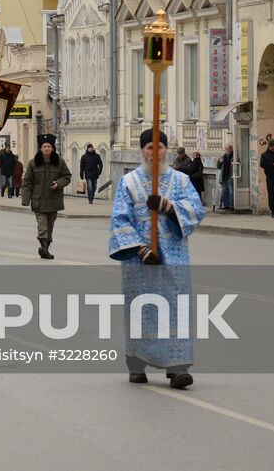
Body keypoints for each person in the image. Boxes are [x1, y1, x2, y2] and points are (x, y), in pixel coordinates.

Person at [109, 127, 205, 389]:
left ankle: (178, 368)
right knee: (142, 309)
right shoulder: (128, 183)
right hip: (140, 262)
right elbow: (119, 219)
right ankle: (137, 363)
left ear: (166, 150)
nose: (155, 152)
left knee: (176, 309)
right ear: (142, 151)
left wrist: (168, 207)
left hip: (174, 258)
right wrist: (140, 250)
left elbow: (197, 210)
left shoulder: (181, 181)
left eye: (159, 147)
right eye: (150, 147)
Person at [22, 134, 71, 260]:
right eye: (44, 146)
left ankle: (45, 249)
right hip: (38, 201)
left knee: (50, 227)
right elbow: (27, 182)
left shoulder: (59, 162)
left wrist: (58, 184)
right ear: (40, 148)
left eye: (49, 146)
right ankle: (43, 247)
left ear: (52, 148)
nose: (47, 149)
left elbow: (67, 177)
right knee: (42, 226)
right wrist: (25, 200)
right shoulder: (33, 163)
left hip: (53, 200)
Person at [217, 145, 235, 211]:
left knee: (231, 191)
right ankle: (226, 205)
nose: (227, 150)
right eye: (226, 149)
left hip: (231, 176)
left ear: (231, 149)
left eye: (229, 149)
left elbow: (237, 164)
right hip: (224, 176)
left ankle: (231, 205)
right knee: (224, 191)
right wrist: (220, 162)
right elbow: (218, 166)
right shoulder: (223, 156)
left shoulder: (234, 156)